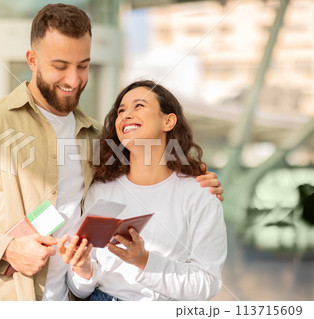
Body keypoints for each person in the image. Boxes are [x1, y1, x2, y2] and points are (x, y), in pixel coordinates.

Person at [0, 4, 223, 301]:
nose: (74, 80)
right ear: (32, 60)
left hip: (66, 297)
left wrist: (196, 179)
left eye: (83, 65)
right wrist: (8, 248)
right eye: (60, 66)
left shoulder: (94, 138)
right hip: (4, 297)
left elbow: (145, 169)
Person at [58, 80, 227, 301]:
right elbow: (81, 290)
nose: (126, 114)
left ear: (168, 121)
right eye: (121, 110)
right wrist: (82, 269)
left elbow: (207, 283)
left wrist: (144, 261)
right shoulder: (100, 190)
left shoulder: (200, 194)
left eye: (138, 105)